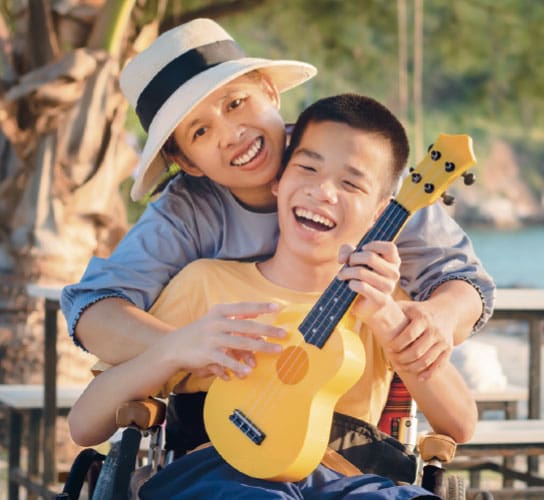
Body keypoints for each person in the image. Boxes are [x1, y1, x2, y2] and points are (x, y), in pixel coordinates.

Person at [68, 93, 478, 499]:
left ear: (379, 212)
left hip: (348, 480)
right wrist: (174, 349)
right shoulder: (206, 285)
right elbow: (86, 424)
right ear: (278, 181)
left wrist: (387, 320)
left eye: (351, 183)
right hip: (219, 473)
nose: (323, 192)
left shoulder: (384, 301)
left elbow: (459, 425)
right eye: (308, 168)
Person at [61, 18, 494, 381]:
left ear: (269, 91)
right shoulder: (187, 209)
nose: (232, 135)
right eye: (200, 132)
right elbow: (94, 310)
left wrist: (440, 316)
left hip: (354, 401)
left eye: (235, 103)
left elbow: (463, 280)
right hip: (235, 408)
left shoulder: (358, 171)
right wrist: (183, 346)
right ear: (186, 161)